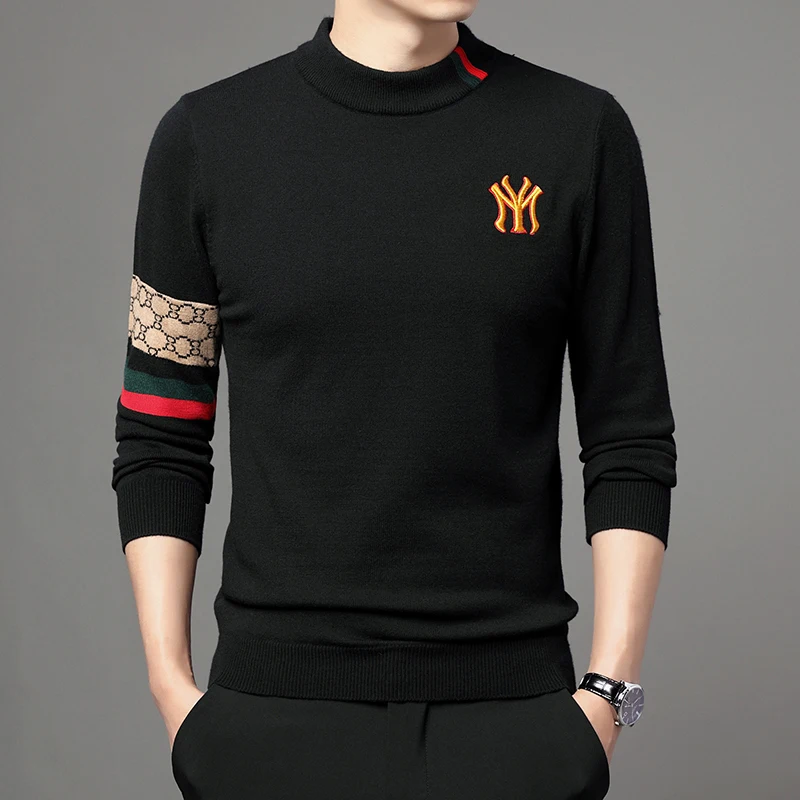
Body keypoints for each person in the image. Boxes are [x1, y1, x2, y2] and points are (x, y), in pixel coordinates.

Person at [111, 0, 677, 797]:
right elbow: (160, 427)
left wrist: (608, 696)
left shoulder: (580, 135)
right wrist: (173, 689)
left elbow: (628, 431)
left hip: (515, 722)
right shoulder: (205, 141)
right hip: (268, 723)